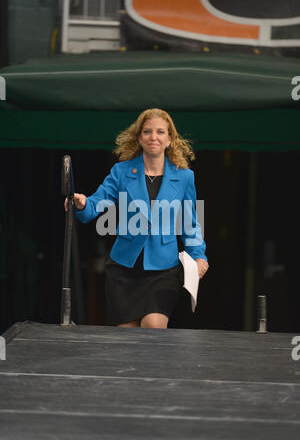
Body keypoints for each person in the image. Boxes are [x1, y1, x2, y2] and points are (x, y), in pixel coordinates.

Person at [65, 108, 209, 329]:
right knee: (127, 341)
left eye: (161, 132)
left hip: (164, 270)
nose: (154, 137)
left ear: (170, 139)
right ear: (139, 138)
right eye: (148, 131)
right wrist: (82, 204)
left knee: (153, 329)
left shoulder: (184, 177)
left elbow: (189, 223)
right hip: (124, 270)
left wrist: (198, 255)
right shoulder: (121, 172)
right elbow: (98, 203)